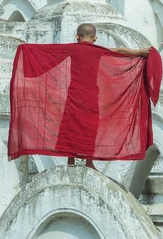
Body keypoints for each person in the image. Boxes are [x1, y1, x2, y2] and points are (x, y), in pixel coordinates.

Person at [57, 24, 152, 171]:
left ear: (77, 36)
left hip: (74, 93)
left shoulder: (72, 49)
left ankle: (71, 160)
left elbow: (49, 52)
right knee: (90, 126)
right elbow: (120, 50)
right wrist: (140, 52)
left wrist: (25, 48)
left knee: (71, 125)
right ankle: (89, 162)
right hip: (91, 95)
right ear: (95, 38)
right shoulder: (97, 51)